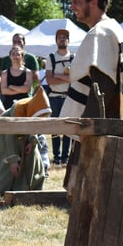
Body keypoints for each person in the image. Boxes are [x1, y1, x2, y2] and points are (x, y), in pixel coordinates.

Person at [59, 0, 123, 246]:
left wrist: (87, 129)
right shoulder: (115, 30)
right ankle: (98, 244)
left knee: (92, 186)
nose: (73, 8)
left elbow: (102, 86)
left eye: (77, 2)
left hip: (101, 126)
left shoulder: (100, 33)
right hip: (111, 123)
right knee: (94, 187)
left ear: (94, 2)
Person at [0, 87, 51, 195]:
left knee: (34, 157)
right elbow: (10, 137)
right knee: (5, 166)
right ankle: (0, 190)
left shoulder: (33, 107)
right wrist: (13, 160)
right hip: (5, 134)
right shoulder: (18, 109)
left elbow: (33, 124)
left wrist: (31, 140)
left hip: (24, 136)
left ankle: (31, 187)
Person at [45, 27, 73, 166]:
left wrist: (57, 75)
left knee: (69, 127)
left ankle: (66, 157)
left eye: (64, 37)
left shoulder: (74, 58)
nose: (62, 39)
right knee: (55, 127)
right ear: (56, 41)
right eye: (59, 37)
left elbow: (74, 78)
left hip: (69, 97)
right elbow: (49, 80)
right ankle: (56, 157)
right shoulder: (51, 57)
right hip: (54, 97)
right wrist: (65, 78)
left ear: (68, 40)